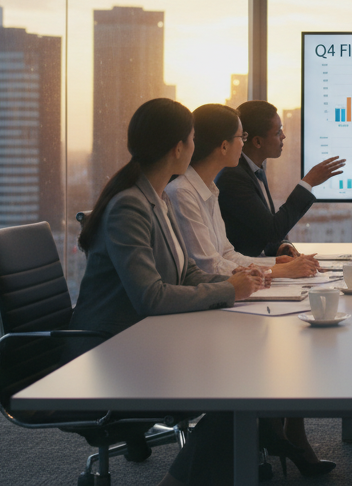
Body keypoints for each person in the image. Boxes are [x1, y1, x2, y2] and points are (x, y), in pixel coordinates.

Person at [68, 98, 269, 486]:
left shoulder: (156, 197)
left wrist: (243, 285)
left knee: (246, 379)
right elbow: (152, 297)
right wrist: (228, 290)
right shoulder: (131, 205)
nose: (195, 147)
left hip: (145, 339)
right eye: (193, 139)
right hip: (113, 350)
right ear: (179, 147)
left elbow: (187, 271)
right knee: (239, 394)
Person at [166, 103, 336, 477]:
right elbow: (208, 268)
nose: (244, 145)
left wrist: (276, 266)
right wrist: (281, 273)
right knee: (270, 353)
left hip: (220, 295)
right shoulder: (182, 193)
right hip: (198, 311)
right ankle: (261, 435)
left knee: (283, 340)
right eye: (241, 138)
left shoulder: (207, 189)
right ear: (224, 146)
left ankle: (269, 433)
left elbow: (226, 253)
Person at [217, 100, 345, 257]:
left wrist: (282, 247)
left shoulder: (254, 170)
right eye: (278, 132)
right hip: (242, 270)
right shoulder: (234, 177)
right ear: (257, 141)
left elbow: (260, 231)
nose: (283, 136)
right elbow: (272, 230)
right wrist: (308, 182)